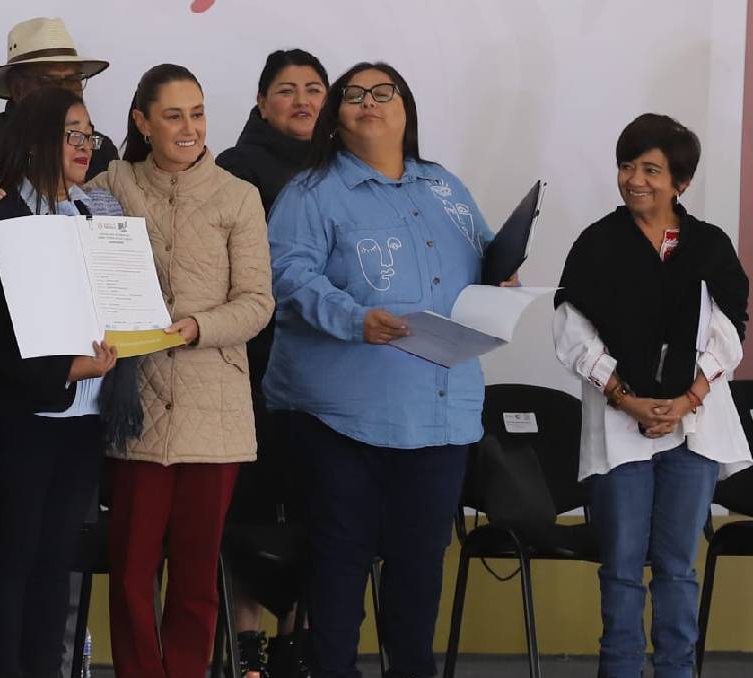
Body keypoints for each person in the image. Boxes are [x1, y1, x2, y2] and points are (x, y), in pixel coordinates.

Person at [263, 62, 505, 677]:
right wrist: (353, 318)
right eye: (353, 95)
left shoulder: (444, 187)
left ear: (406, 108)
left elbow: (485, 262)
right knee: (338, 567)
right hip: (341, 418)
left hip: (440, 415)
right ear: (335, 118)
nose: (368, 102)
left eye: (383, 92)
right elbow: (287, 277)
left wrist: (502, 289)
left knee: (419, 572)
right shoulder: (311, 193)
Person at [87, 63, 274, 677]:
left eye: (197, 113)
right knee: (132, 573)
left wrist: (196, 327)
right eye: (172, 115)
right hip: (134, 406)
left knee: (197, 577)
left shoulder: (237, 194)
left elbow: (256, 302)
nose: (189, 127)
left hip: (212, 410)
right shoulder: (107, 183)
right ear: (142, 122)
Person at [553, 113, 750, 678]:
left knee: (676, 567)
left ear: (680, 183)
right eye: (627, 165)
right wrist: (623, 396)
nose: (634, 179)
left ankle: (676, 671)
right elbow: (570, 325)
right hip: (621, 425)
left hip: (693, 424)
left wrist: (689, 398)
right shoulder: (598, 242)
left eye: (651, 169)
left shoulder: (708, 244)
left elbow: (731, 326)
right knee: (619, 567)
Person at [0, 86, 137, 678]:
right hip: (24, 416)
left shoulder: (101, 212)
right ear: (35, 140)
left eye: (89, 134)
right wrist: (64, 368)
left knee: (56, 562)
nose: (83, 145)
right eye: (70, 133)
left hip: (86, 416)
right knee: (11, 558)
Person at [216, 47, 328, 678]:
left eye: (315, 89)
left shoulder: (344, 168)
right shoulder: (236, 169)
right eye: (287, 90)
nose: (303, 100)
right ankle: (247, 647)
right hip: (252, 366)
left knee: (318, 508)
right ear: (261, 102)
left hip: (325, 367)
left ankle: (297, 645)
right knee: (251, 511)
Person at [0, 16, 119, 204]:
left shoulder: (101, 148)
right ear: (17, 88)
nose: (64, 90)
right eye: (48, 81)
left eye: (72, 79)